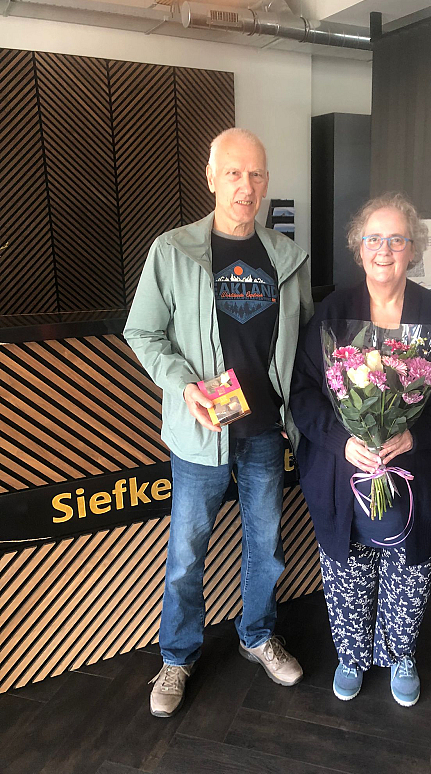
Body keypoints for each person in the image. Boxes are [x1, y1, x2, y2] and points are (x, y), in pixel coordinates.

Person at [124, 128, 312, 718]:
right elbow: (142, 331)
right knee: (186, 552)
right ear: (211, 178)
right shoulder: (173, 250)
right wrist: (183, 386)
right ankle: (177, 656)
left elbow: (305, 342)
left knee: (266, 546)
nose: (245, 186)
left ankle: (257, 636)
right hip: (203, 430)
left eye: (255, 174)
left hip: (265, 431)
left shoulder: (286, 257)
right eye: (233, 173)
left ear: (266, 181)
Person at [290, 193, 431, 706]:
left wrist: (416, 436)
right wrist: (342, 441)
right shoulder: (333, 313)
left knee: (410, 569)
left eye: (397, 239)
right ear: (358, 248)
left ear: (412, 250)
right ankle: (351, 656)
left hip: (418, 475)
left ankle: (401, 654)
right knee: (347, 571)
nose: (384, 250)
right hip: (345, 476)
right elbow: (303, 394)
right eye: (374, 239)